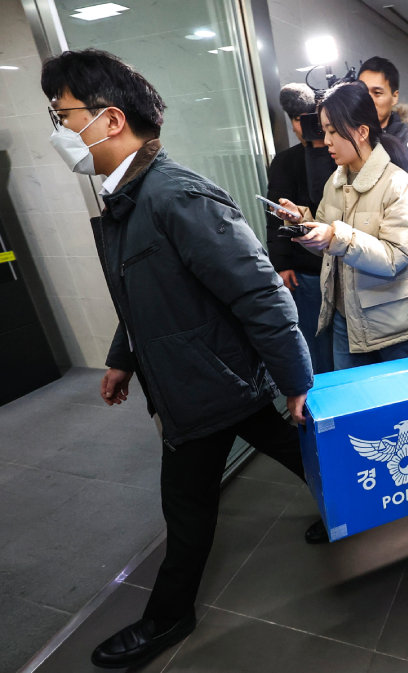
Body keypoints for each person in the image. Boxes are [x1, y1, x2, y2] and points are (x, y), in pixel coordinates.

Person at [40, 49, 318, 669]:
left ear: (111, 120)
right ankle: (351, 510)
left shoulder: (176, 196)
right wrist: (122, 359)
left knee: (186, 506)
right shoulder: (123, 203)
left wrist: (301, 381)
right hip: (207, 376)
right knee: (296, 451)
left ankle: (168, 616)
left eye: (64, 116)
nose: (60, 132)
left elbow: (260, 292)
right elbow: (144, 298)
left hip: (206, 386)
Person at [275, 81, 408, 370]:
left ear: (362, 131)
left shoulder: (397, 184)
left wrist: (335, 236)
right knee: (356, 412)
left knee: (397, 413)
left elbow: (395, 258)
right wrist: (304, 221)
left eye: (333, 131)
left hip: (391, 329)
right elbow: (330, 241)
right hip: (347, 321)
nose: (327, 141)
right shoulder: (337, 181)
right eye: (324, 131)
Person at [266, 83, 335, 373]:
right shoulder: (285, 161)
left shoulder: (338, 153)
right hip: (305, 270)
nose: (302, 125)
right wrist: (282, 263)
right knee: (315, 342)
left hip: (342, 257)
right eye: (296, 119)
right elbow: (275, 215)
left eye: (307, 118)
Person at [358, 56, 408, 146]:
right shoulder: (346, 134)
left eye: (377, 93)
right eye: (363, 92)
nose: (368, 100)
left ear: (394, 97)